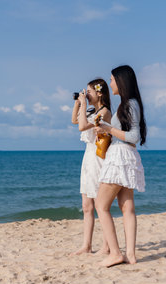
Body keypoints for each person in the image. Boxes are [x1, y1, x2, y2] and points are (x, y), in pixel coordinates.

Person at [94, 65, 147, 267]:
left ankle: (116, 253)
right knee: (127, 208)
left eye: (112, 80)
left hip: (120, 156)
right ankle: (131, 255)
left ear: (121, 82)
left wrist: (108, 128)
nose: (110, 83)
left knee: (101, 205)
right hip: (127, 156)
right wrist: (108, 131)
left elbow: (133, 136)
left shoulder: (129, 104)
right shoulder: (130, 104)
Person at [71, 78, 112, 255]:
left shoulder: (104, 112)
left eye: (89, 91)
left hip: (98, 159)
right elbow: (74, 120)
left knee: (100, 206)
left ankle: (106, 246)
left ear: (99, 92)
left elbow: (81, 127)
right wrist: (78, 104)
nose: (86, 94)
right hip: (87, 159)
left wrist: (82, 103)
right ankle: (86, 245)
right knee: (87, 206)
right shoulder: (90, 111)